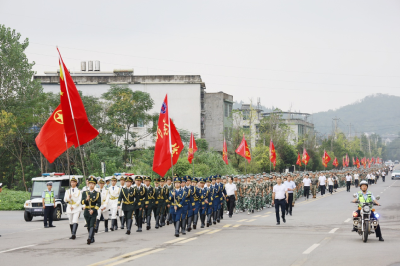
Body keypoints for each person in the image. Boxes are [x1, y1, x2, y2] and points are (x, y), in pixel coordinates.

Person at [81, 177, 101, 245]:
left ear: (94, 185)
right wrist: (86, 199)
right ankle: (92, 237)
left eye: (92, 184)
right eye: (90, 183)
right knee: (88, 225)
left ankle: (89, 238)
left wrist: (94, 210)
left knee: (92, 224)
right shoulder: (85, 193)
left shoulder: (97, 193)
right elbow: (82, 202)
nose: (91, 185)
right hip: (86, 211)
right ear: (88, 184)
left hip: (93, 211)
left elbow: (99, 203)